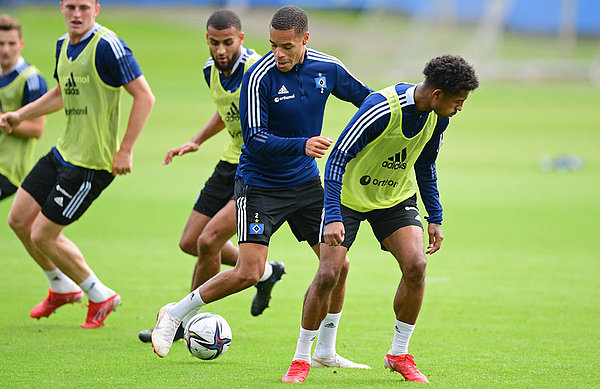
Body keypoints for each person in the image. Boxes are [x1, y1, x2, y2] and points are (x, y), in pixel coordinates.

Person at [151, 6, 372, 368]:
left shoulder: (327, 68)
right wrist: (302, 144)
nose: (278, 54)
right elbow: (254, 140)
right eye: (272, 45)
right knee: (249, 272)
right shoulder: (259, 76)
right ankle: (175, 313)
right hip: (259, 186)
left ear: (305, 39)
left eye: (286, 47)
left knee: (339, 264)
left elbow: (369, 101)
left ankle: (326, 351)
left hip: (305, 185)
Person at [281, 55, 479, 383]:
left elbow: (426, 166)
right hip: (346, 198)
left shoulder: (438, 118)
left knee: (416, 266)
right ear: (437, 94)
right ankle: (302, 358)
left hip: (393, 198)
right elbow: (336, 159)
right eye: (458, 101)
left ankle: (399, 354)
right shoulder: (382, 107)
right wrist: (331, 215)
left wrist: (435, 217)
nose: (460, 108)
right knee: (329, 272)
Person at [0, 0, 155, 328]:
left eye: (84, 7)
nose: (76, 13)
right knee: (18, 219)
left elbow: (144, 96)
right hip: (63, 152)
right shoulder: (62, 44)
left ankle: (100, 294)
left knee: (43, 234)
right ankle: (61, 286)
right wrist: (19, 115)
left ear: (96, 9)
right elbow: (61, 93)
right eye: (70, 6)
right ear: (61, 7)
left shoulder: (109, 47)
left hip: (92, 162)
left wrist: (125, 150)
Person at [137, 9, 285, 344]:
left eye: (228, 43)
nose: (221, 50)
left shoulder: (260, 71)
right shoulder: (211, 71)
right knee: (190, 241)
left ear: (241, 39)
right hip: (229, 162)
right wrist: (196, 140)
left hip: (259, 170)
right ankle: (266, 271)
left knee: (209, 241)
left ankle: (181, 322)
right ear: (207, 39)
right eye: (215, 43)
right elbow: (227, 110)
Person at [0, 14, 47, 201]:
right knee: (27, 228)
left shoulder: (31, 79)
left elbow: (37, 129)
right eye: (1, 43)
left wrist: (4, 120)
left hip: (7, 169)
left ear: (21, 44)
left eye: (11, 43)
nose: (5, 49)